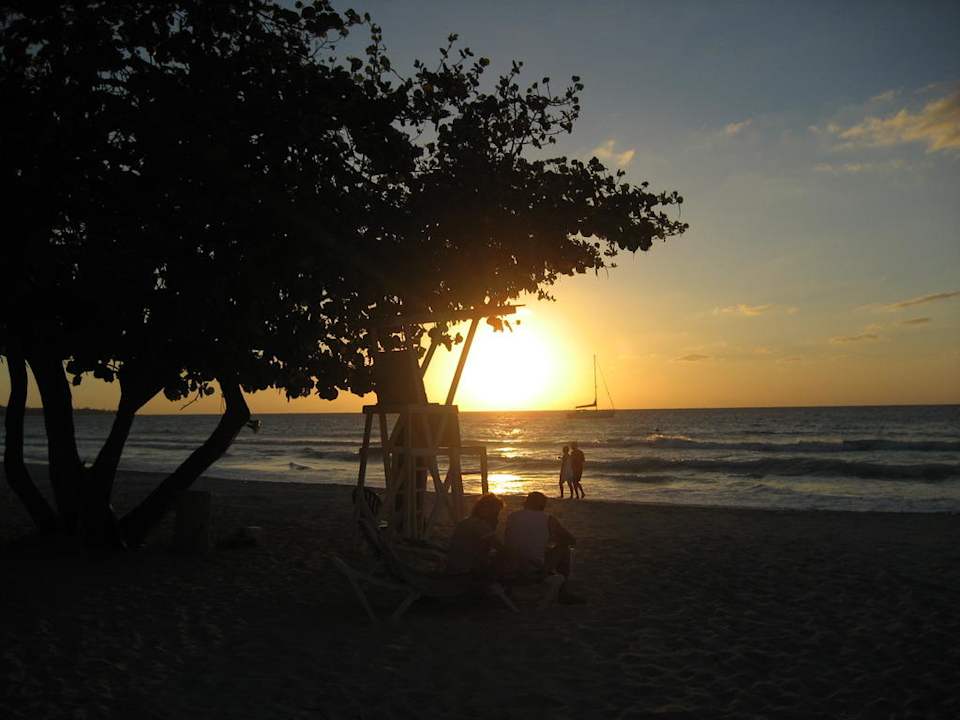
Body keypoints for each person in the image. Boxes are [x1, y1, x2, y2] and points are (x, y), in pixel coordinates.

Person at [504, 491, 583, 603]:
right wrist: (553, 538)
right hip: (533, 567)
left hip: (511, 564)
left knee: (535, 549)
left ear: (526, 503)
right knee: (564, 549)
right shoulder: (548, 519)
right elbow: (571, 540)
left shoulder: (512, 516)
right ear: (543, 505)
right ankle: (563, 592)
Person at [445, 493, 505, 582]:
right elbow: (499, 547)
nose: (496, 518)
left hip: (454, 566)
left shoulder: (466, 522)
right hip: (466, 570)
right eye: (495, 513)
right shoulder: (480, 525)